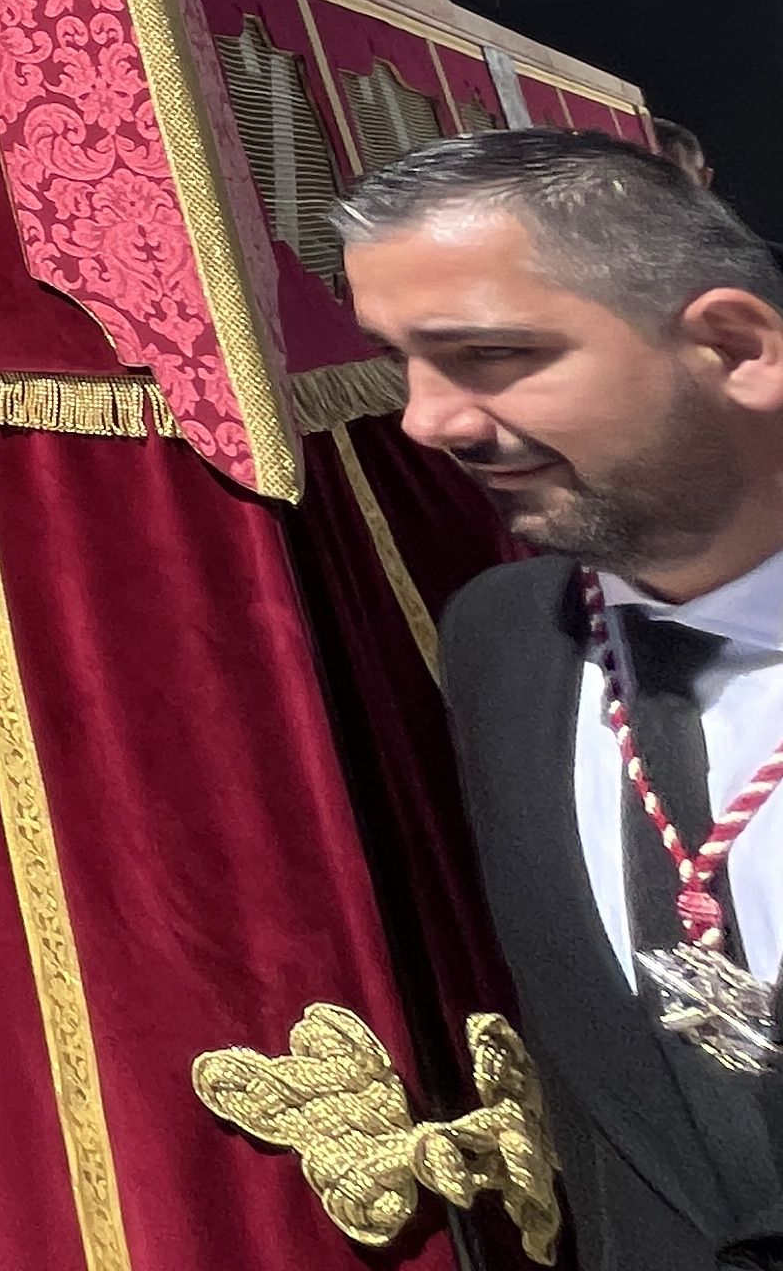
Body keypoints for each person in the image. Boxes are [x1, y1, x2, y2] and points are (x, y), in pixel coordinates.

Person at [342, 130, 783, 1269]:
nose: (426, 422)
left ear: (735, 347)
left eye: (488, 355)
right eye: (403, 362)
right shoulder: (505, 642)